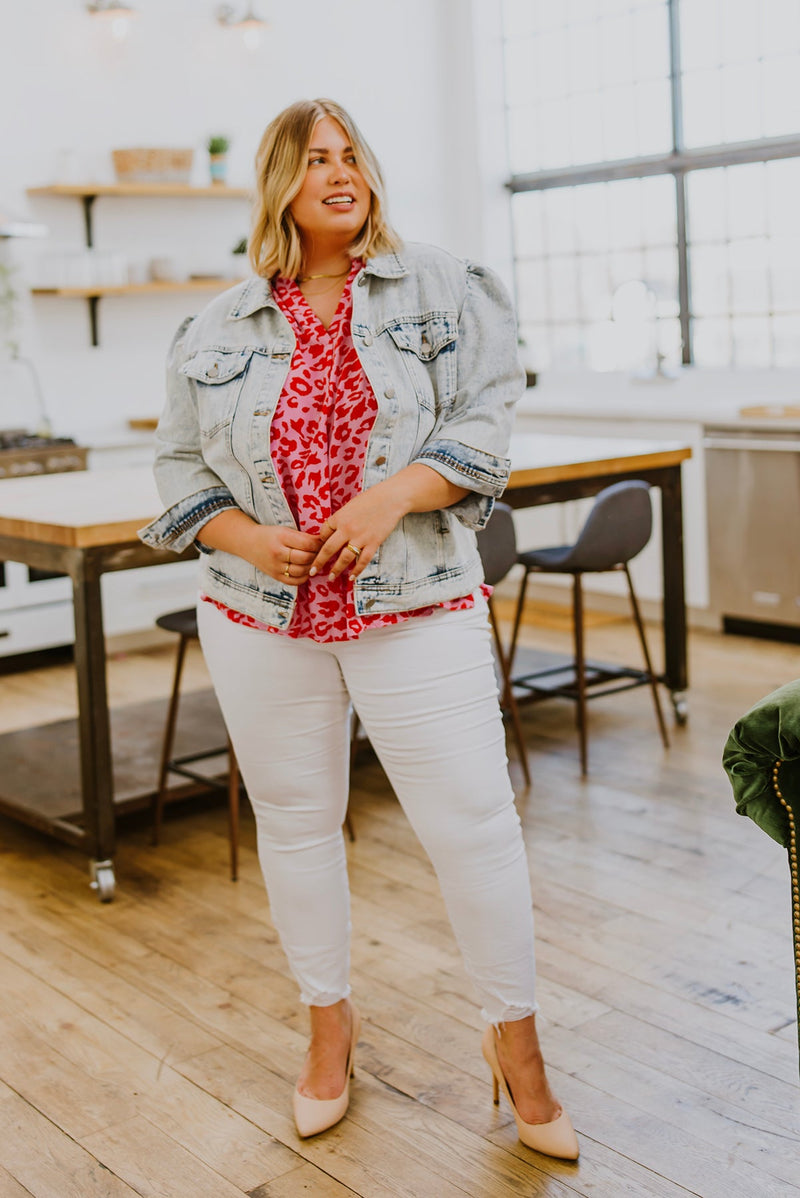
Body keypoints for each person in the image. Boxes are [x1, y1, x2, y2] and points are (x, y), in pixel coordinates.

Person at [139, 97, 578, 1160]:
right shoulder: (213, 327)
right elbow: (180, 469)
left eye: (350, 156)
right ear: (279, 184)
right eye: (313, 160)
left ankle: (515, 1048)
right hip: (259, 614)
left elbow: (482, 419)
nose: (339, 173)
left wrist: (391, 497)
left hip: (415, 601)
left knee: (472, 827)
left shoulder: (446, 286)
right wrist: (246, 538)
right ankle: (327, 1028)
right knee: (294, 823)